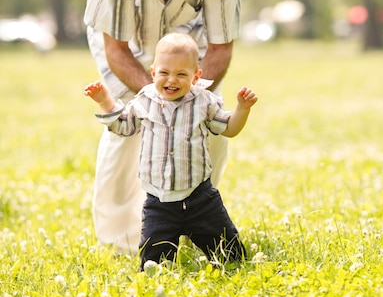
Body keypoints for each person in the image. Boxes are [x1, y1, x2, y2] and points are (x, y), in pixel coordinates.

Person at [84, 0, 241, 254]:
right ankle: (121, 239)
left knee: (207, 117)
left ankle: (192, 217)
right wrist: (155, 97)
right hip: (126, 34)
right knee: (128, 121)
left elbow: (220, 47)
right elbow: (117, 49)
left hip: (189, 36)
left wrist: (192, 97)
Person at [84, 33, 257, 269]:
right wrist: (105, 101)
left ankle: (224, 255)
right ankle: (161, 257)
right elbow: (122, 126)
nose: (171, 80)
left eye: (181, 74)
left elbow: (229, 129)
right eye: (164, 73)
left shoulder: (204, 102)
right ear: (153, 72)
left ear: (196, 76)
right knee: (152, 266)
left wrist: (242, 109)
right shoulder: (145, 101)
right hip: (160, 203)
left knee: (232, 258)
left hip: (201, 199)